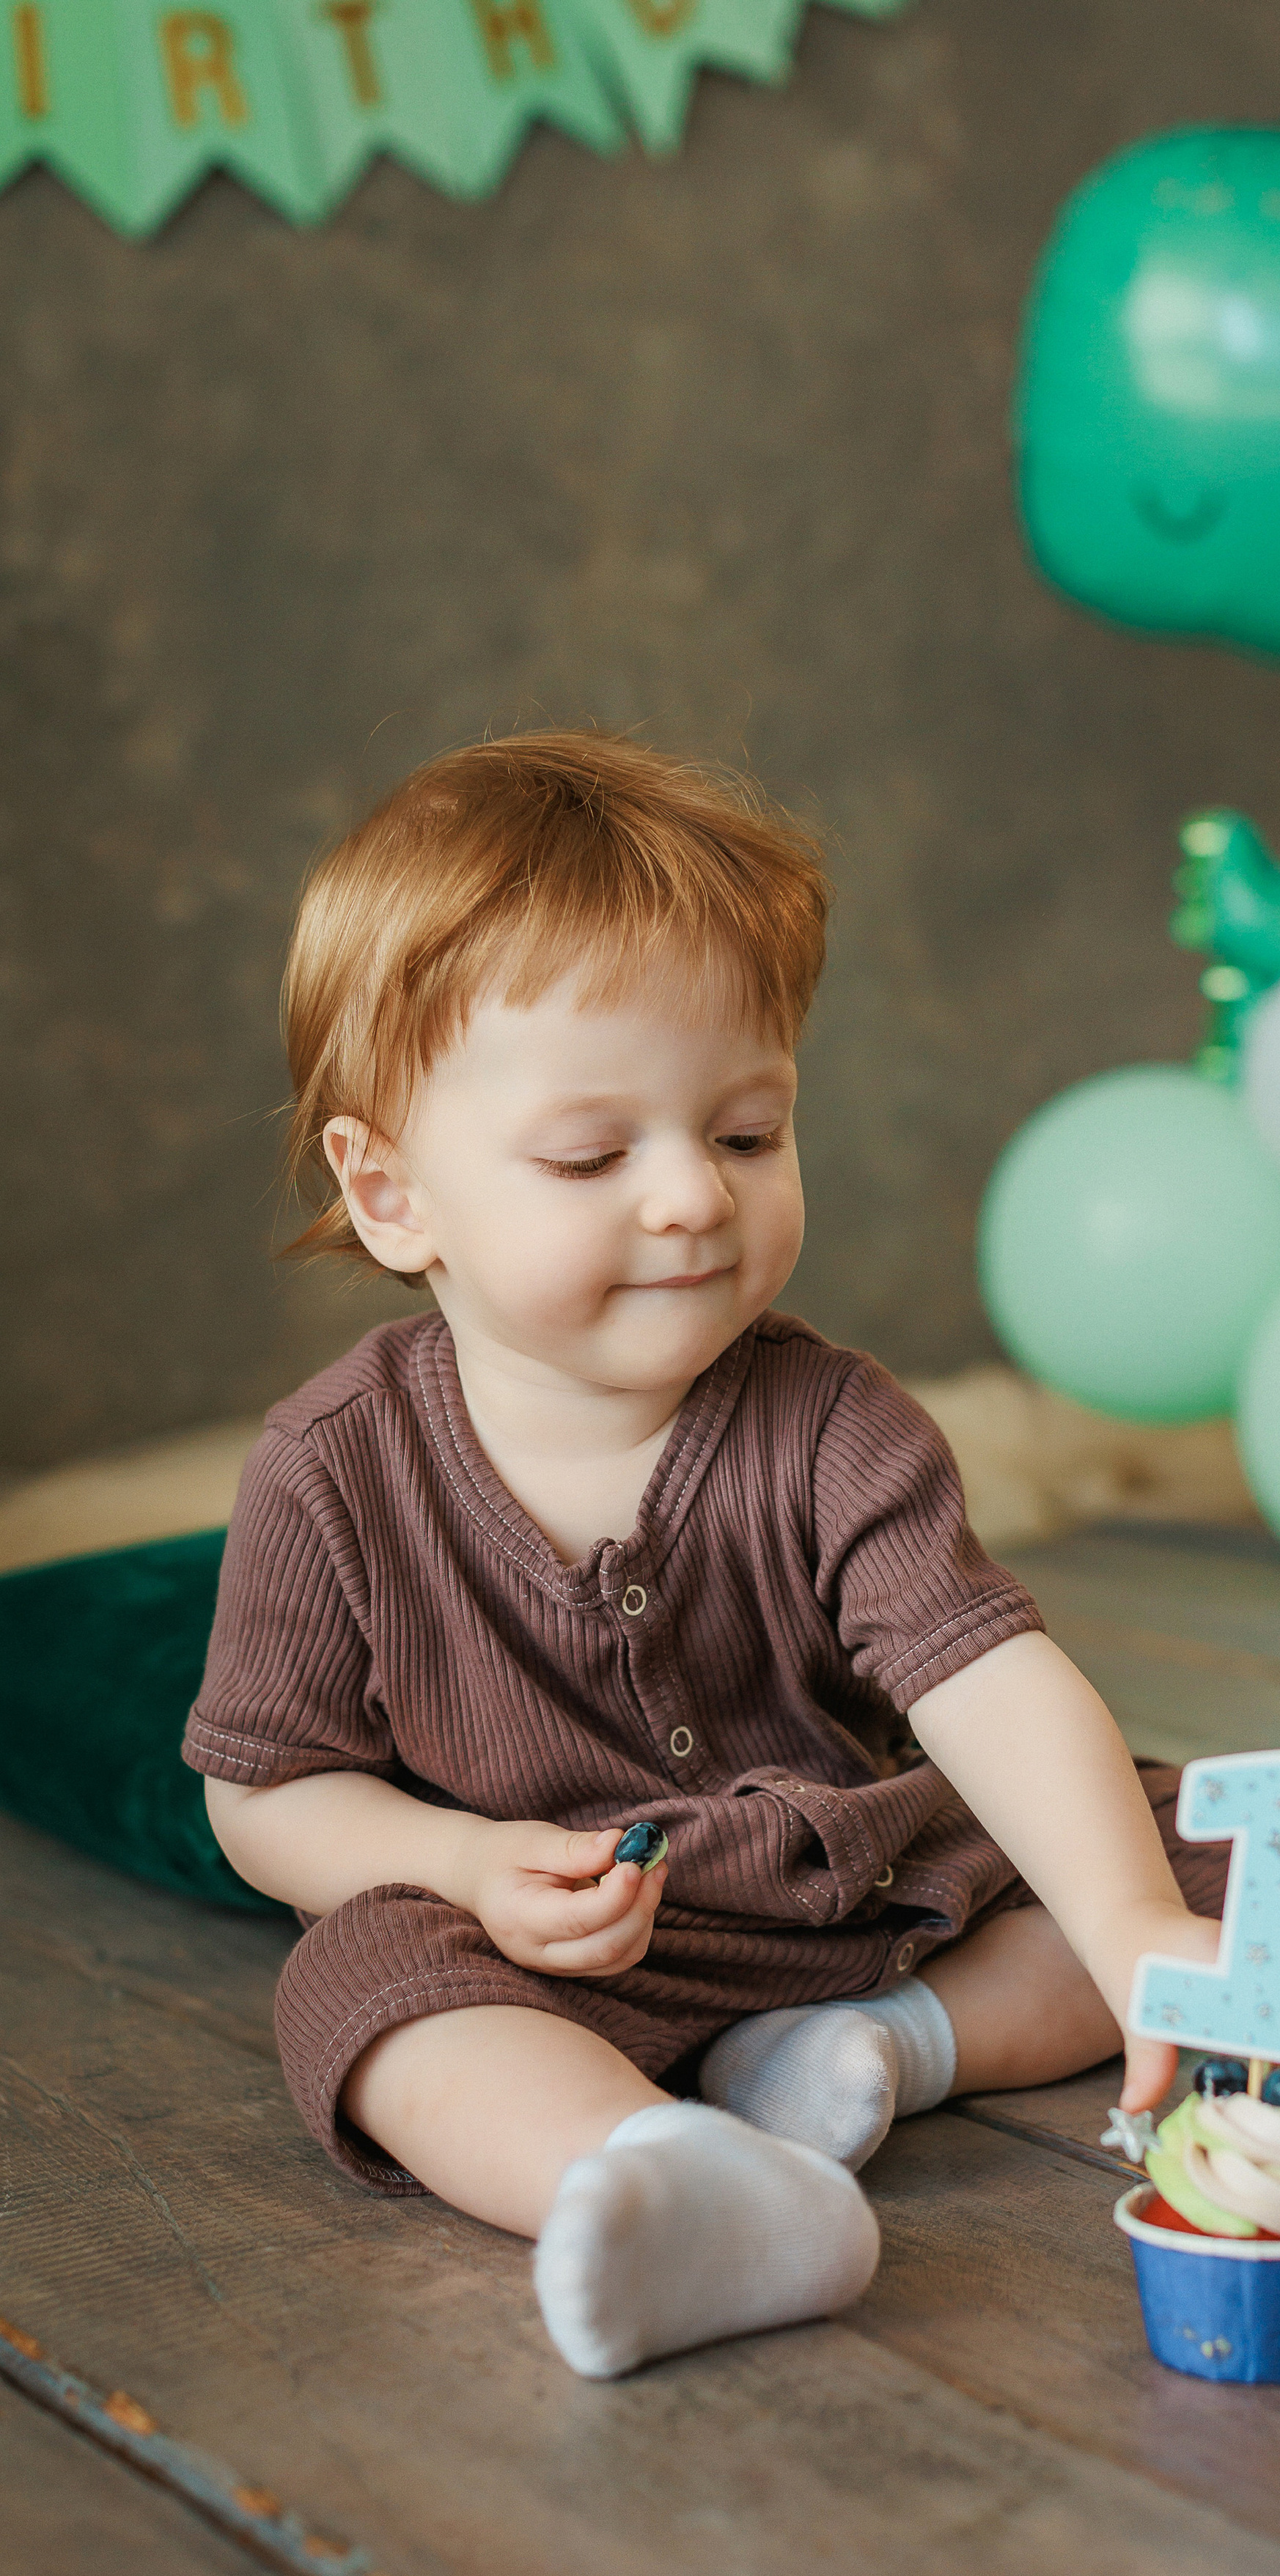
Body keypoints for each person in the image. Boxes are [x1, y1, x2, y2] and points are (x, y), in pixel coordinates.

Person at [186, 732, 1226, 2380]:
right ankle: (662, 2181)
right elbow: (268, 1798)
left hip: (860, 1893)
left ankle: (880, 2053)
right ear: (391, 1194)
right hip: (558, 1946)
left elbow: (984, 1676)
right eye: (591, 1158)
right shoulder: (333, 1471)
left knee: (1180, 1851)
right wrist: (465, 1868)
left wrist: (1127, 1921)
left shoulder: (831, 1422)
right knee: (363, 1989)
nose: (690, 1199)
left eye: (746, 1133)